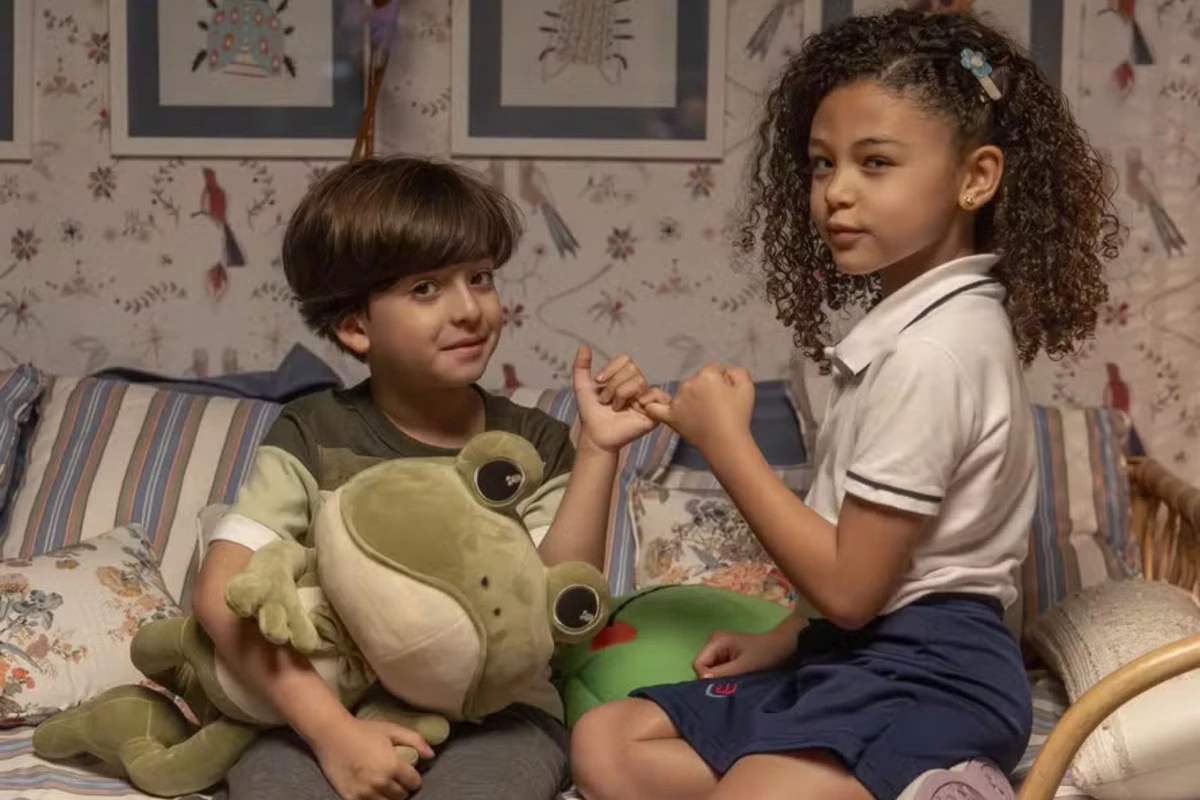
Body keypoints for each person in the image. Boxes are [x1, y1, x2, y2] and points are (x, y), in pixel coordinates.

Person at [570, 9, 1121, 800]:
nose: (837, 192)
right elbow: (861, 578)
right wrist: (786, 637)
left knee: (753, 791)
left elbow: (854, 589)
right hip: (849, 652)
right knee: (605, 742)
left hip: (932, 676)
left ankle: (944, 782)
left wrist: (727, 445)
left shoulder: (933, 354)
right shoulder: (910, 333)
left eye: (876, 163)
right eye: (822, 164)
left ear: (975, 178)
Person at [191, 157, 664, 800]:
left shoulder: (533, 445)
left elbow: (551, 611)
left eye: (480, 277)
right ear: (355, 326)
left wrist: (598, 451)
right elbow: (222, 594)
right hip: (328, 710)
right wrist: (333, 733)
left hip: (498, 717)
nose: (469, 309)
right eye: (425, 288)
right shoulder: (314, 431)